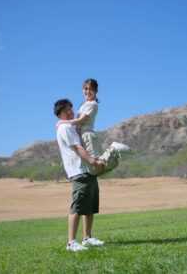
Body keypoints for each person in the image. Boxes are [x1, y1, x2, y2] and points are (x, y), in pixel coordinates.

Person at [54, 98, 105, 252]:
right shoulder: (66, 128)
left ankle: (87, 238)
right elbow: (77, 147)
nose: (69, 112)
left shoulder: (70, 125)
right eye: (65, 111)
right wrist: (93, 161)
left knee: (89, 206)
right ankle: (71, 242)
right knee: (78, 206)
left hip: (85, 170)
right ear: (59, 115)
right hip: (79, 171)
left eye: (70, 109)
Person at [57, 78, 131, 175]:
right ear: (82, 89)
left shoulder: (92, 104)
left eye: (91, 89)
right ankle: (112, 153)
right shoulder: (85, 104)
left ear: (96, 91)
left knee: (94, 167)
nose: (88, 91)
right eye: (86, 89)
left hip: (87, 135)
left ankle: (114, 150)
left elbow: (81, 120)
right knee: (93, 167)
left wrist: (64, 122)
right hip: (83, 137)